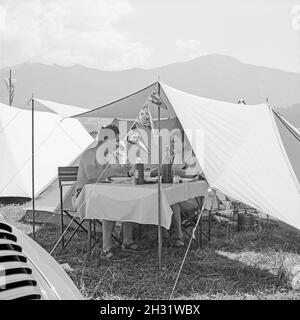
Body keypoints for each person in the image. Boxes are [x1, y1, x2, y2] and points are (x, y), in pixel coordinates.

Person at [75, 124, 140, 258]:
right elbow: (92, 174)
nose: (117, 144)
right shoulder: (89, 154)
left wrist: (126, 172)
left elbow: (113, 174)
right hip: (84, 195)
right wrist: (115, 170)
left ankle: (127, 240)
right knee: (108, 205)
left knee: (127, 202)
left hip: (102, 193)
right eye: (115, 141)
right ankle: (106, 248)